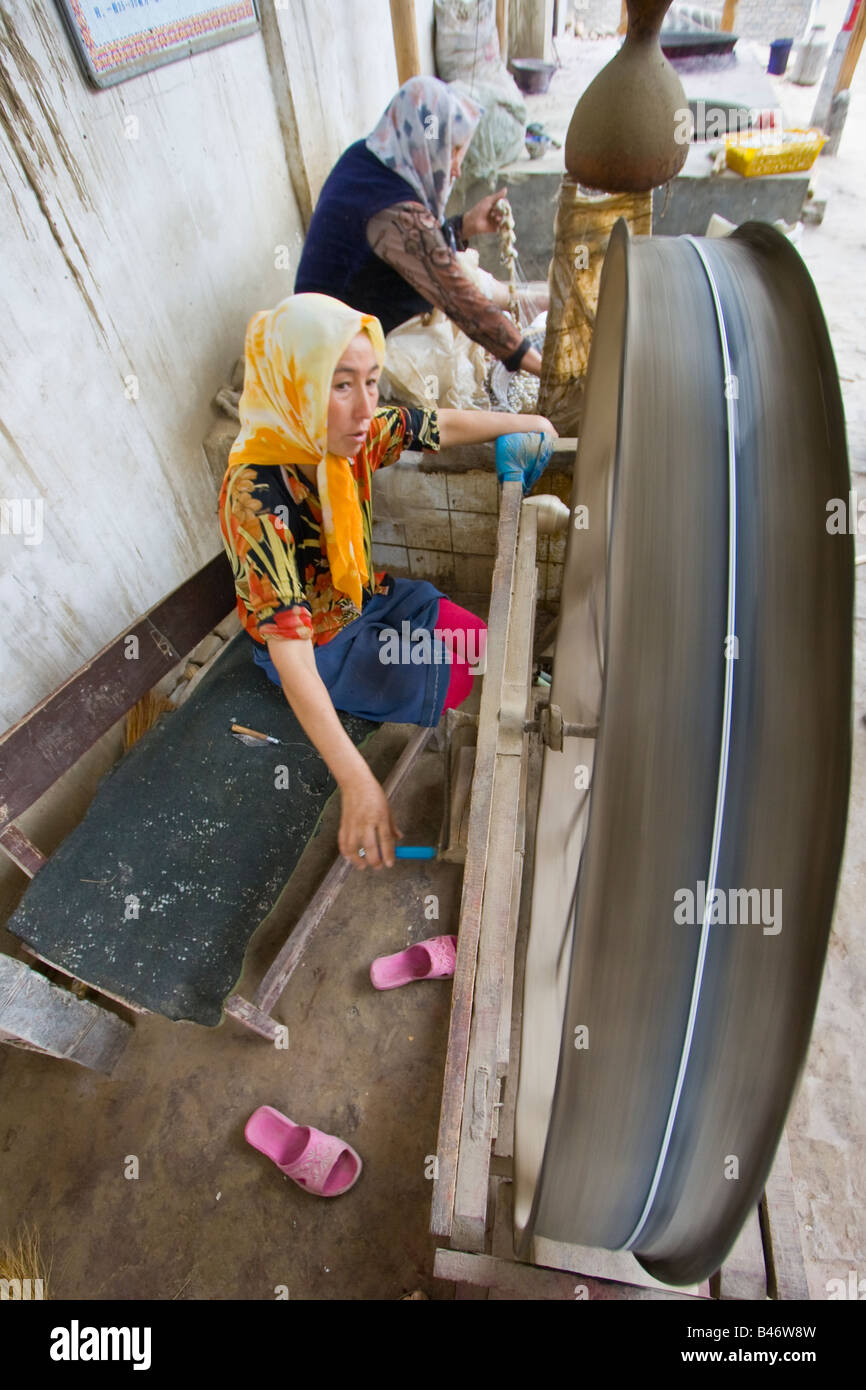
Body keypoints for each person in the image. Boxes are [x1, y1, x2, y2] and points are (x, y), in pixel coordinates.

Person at [219, 293, 555, 872]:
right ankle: (387, 707)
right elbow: (294, 657)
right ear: (296, 385)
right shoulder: (255, 498)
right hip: (317, 647)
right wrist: (357, 780)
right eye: (340, 384)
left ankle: (416, 678)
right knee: (449, 679)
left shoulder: (350, 438)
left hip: (363, 600)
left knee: (475, 640)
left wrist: (533, 423)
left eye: (371, 381)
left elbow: (437, 424)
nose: (363, 406)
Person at [294, 76, 545, 378]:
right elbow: (465, 305)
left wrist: (464, 226)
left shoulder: (368, 155)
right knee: (448, 347)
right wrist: (542, 368)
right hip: (333, 355)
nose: (456, 168)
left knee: (461, 270)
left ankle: (542, 304)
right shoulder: (396, 214)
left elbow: (423, 249)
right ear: (426, 144)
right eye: (451, 151)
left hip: (343, 310)